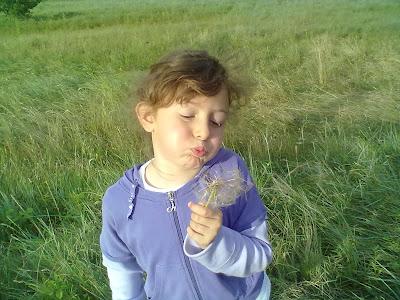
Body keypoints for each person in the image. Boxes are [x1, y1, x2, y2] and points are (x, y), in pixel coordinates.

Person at [100, 49, 272, 300]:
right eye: (188, 116)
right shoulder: (120, 202)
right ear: (148, 117)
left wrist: (217, 242)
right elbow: (121, 270)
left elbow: (260, 255)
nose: (203, 132)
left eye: (217, 121)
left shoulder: (228, 173)